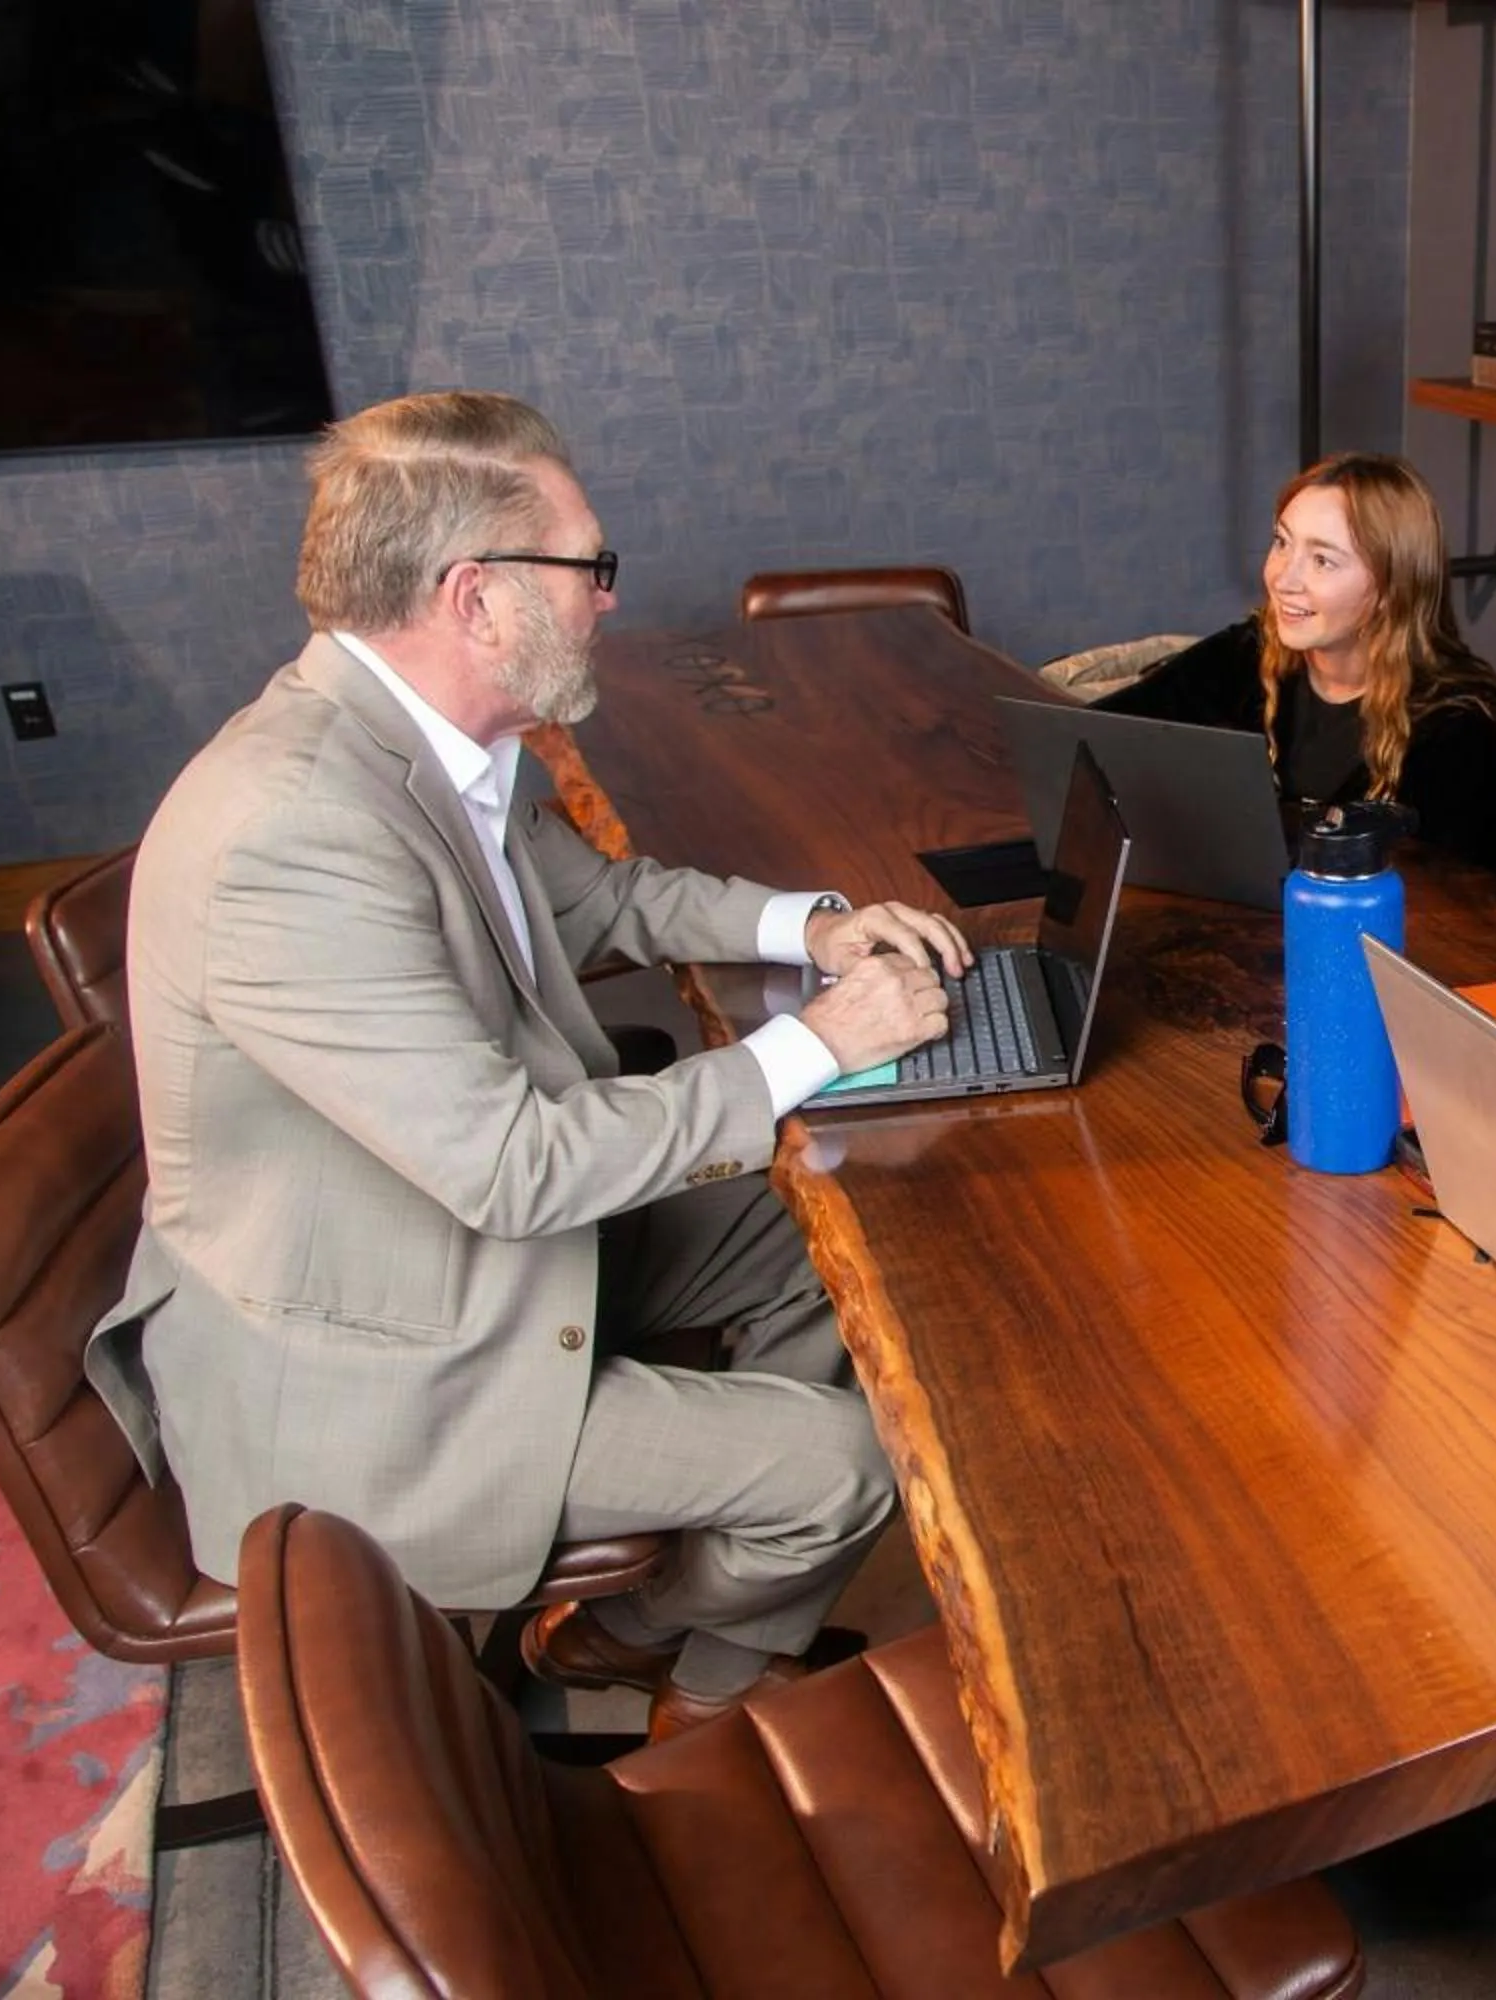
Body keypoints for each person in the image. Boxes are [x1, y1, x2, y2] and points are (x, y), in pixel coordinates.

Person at [82, 391, 974, 1741]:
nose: (609, 600)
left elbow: (612, 901)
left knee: (838, 1216)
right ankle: (708, 1679)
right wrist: (823, 1040)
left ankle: (648, 1630)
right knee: (849, 1469)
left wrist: (819, 926)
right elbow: (510, 1169)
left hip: (463, 1256)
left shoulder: (430, 748)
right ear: (475, 595)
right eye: (588, 569)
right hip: (373, 1379)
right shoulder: (292, 832)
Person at [1094, 452, 1496, 867]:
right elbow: (1097, 735)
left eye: (1322, 561)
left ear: (1392, 589)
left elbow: (1451, 907)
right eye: (1281, 542)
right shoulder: (1251, 652)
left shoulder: (1458, 726)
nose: (1283, 578)